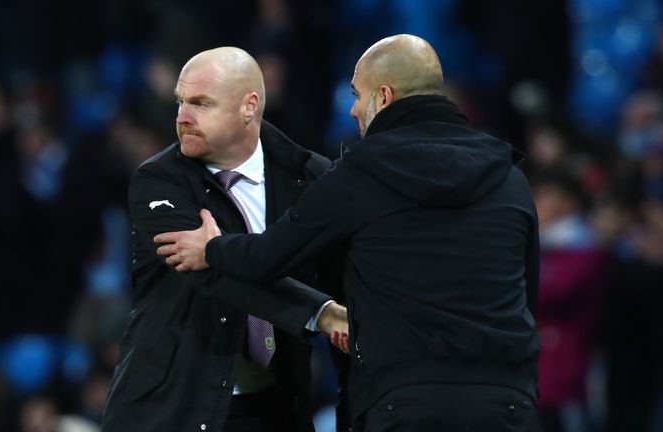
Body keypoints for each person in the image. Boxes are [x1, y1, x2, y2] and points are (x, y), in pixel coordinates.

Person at [156, 34, 542, 431]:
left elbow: (269, 256)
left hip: (403, 403)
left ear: (385, 97)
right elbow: (527, 297)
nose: (354, 109)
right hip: (507, 403)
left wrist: (213, 249)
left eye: (358, 94)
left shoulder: (359, 175)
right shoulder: (509, 177)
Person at [101, 47, 349, 432]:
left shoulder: (309, 176)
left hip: (276, 404)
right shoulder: (159, 180)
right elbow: (218, 278)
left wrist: (215, 251)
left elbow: (341, 277)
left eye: (201, 104)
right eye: (180, 102)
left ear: (249, 106)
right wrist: (321, 313)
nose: (182, 117)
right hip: (173, 407)